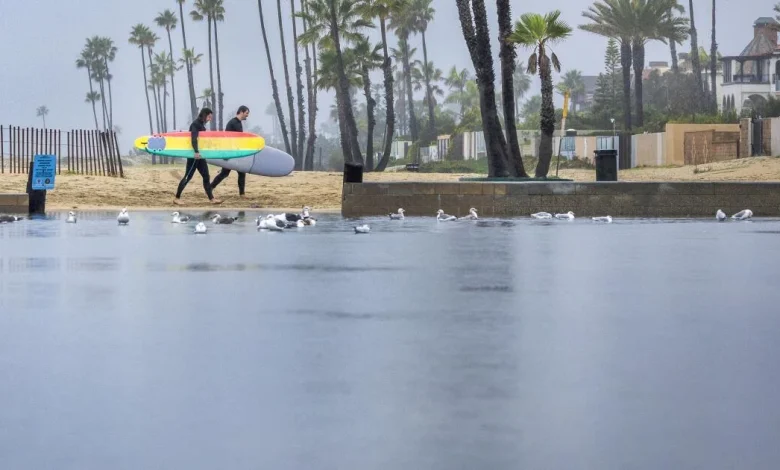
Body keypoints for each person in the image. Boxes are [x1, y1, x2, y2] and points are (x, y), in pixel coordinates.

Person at [174, 108, 223, 205]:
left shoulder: (201, 125)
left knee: (206, 176)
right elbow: (194, 139)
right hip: (194, 156)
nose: (210, 119)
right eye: (209, 117)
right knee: (188, 177)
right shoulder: (195, 124)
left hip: (200, 156)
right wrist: (196, 152)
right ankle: (177, 198)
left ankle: (211, 199)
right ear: (204, 115)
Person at [211, 105, 250, 198]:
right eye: (246, 113)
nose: (247, 116)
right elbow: (228, 138)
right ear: (241, 112)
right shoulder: (233, 123)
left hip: (234, 152)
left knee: (239, 172)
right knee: (226, 173)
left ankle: (242, 194)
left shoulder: (237, 122)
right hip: (230, 153)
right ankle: (210, 187)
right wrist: (227, 153)